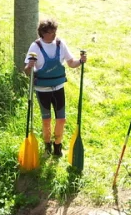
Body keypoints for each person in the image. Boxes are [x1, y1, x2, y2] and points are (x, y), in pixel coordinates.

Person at [24, 19, 87, 158]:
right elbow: (27, 71)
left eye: (54, 32)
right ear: (42, 33)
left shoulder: (60, 44)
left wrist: (81, 61)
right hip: (42, 91)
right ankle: (47, 146)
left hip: (58, 88)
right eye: (50, 32)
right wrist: (30, 66)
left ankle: (58, 146)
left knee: (61, 119)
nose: (53, 35)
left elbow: (71, 63)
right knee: (46, 120)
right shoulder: (35, 47)